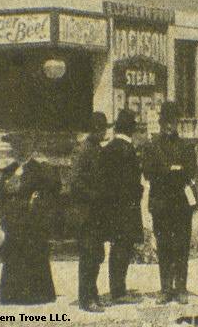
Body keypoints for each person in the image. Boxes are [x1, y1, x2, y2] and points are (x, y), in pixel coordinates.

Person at [0, 131, 61, 305]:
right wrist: (3, 213)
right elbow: (0, 196)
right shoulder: (9, 170)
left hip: (32, 221)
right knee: (14, 256)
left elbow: (52, 191)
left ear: (31, 148)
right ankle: (12, 295)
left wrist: (37, 202)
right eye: (16, 146)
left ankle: (37, 295)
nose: (20, 150)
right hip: (14, 221)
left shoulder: (39, 169)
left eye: (24, 146)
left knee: (34, 253)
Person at [143, 102, 197, 305]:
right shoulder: (151, 147)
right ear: (160, 123)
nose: (169, 126)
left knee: (182, 246)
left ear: (177, 124)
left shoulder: (186, 146)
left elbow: (191, 171)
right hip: (161, 204)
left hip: (181, 204)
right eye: (166, 122)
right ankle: (165, 289)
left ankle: (181, 288)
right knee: (164, 246)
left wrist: (169, 172)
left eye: (173, 122)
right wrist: (172, 171)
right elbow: (148, 172)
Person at [101, 109, 144, 304]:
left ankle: (117, 288)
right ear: (131, 129)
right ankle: (119, 292)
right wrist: (139, 190)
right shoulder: (127, 149)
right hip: (126, 207)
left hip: (112, 207)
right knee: (123, 248)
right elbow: (131, 182)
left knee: (117, 247)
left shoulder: (109, 148)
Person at [71, 112, 109, 312]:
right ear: (95, 130)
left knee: (97, 255)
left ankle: (92, 293)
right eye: (102, 129)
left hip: (97, 213)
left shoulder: (98, 150)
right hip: (86, 213)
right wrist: (95, 195)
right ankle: (86, 299)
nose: (104, 133)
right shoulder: (83, 150)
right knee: (88, 256)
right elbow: (74, 183)